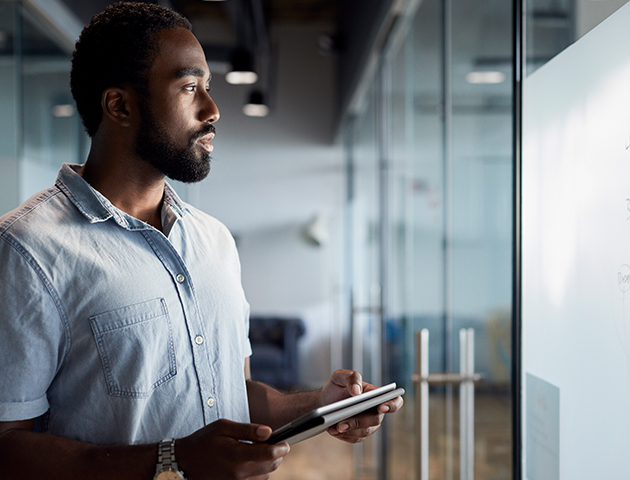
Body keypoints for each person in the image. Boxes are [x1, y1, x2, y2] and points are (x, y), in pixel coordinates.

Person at [0, 2, 403, 479]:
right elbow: (7, 446)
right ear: (120, 105)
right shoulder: (28, 249)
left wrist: (318, 404)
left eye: (207, 88)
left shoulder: (213, 240)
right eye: (190, 87)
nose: (212, 110)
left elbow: (234, 392)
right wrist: (170, 460)